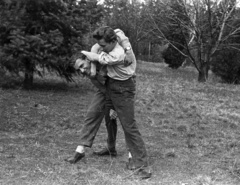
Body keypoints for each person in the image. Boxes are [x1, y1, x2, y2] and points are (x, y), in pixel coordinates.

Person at [66, 26, 151, 179]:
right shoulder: (102, 48)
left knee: (128, 125)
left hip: (123, 87)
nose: (101, 48)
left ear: (112, 42)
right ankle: (90, 150)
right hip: (109, 86)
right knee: (96, 115)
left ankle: (141, 165)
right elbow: (100, 47)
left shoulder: (118, 54)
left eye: (81, 67)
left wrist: (128, 50)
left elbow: (100, 56)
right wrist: (91, 71)